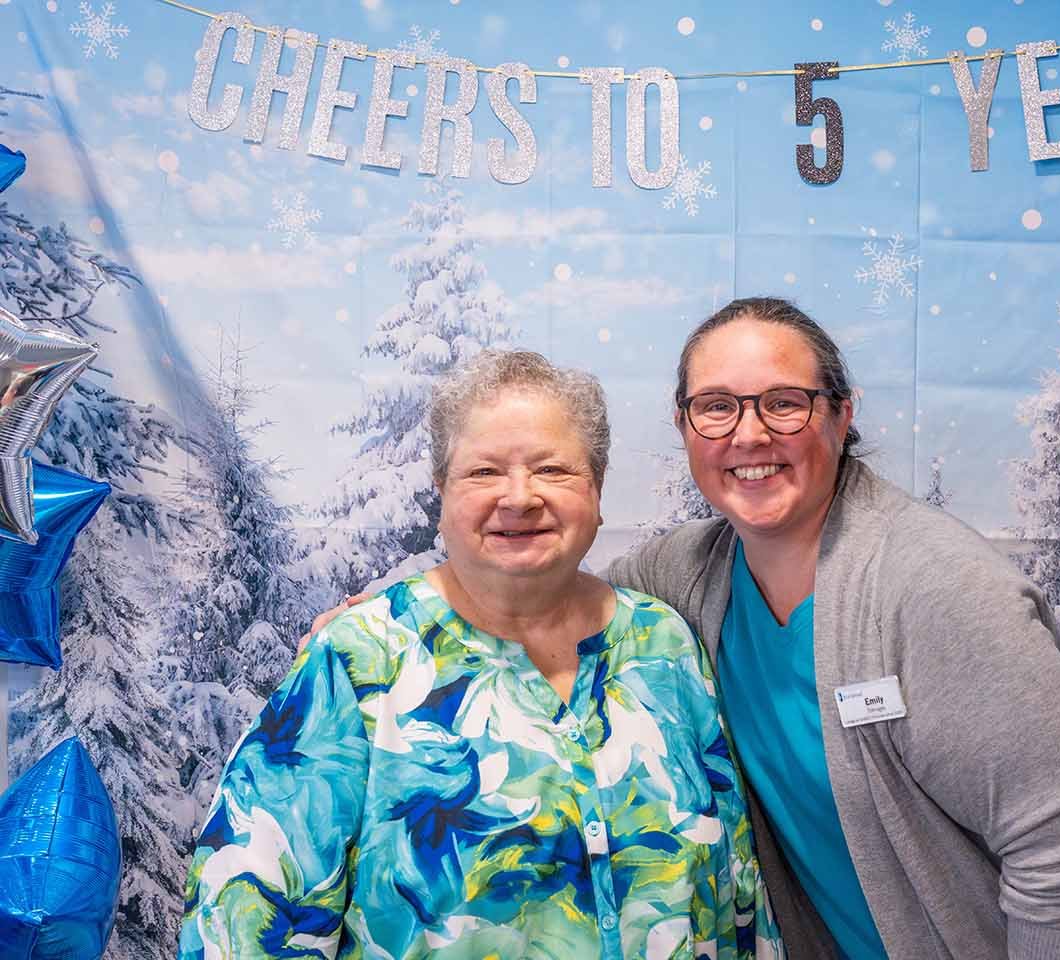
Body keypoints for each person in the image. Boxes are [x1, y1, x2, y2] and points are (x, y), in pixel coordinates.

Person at [309, 298, 1060, 959]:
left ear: (841, 417)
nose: (750, 434)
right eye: (716, 408)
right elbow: (544, 580)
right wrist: (406, 612)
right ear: (685, 429)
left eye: (784, 403)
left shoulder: (933, 587)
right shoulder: (685, 582)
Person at [181, 350, 783, 959]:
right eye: (484, 472)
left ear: (597, 489)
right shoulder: (361, 659)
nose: (519, 497)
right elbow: (240, 923)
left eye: (552, 469)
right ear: (441, 491)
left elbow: (737, 890)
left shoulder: (662, 643)